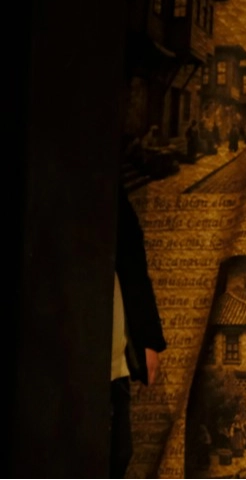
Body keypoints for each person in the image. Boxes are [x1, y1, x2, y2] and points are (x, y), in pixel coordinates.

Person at [111, 186, 167, 479]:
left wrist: (147, 338)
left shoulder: (110, 193)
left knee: (119, 451)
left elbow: (133, 261)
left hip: (114, 357)